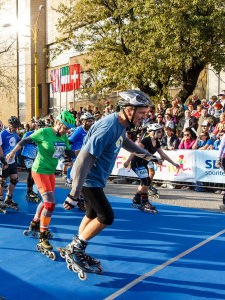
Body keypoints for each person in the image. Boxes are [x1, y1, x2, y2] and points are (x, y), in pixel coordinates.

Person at [60, 90, 158, 277]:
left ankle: (76, 246)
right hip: (88, 178)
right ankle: (76, 249)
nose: (144, 118)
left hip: (94, 178)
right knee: (106, 217)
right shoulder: (108, 126)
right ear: (129, 110)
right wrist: (74, 192)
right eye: (141, 113)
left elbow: (124, 142)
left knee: (91, 213)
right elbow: (83, 158)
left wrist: (146, 154)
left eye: (146, 114)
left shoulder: (120, 124)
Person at [6, 111, 76, 258]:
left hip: (50, 172)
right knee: (50, 204)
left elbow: (69, 153)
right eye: (65, 128)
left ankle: (35, 223)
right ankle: (42, 235)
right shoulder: (44, 132)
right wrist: (12, 153)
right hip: (39, 171)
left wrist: (84, 154)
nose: (67, 131)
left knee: (46, 202)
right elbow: (24, 141)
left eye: (69, 129)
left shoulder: (63, 136)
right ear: (57, 123)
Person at [123, 123, 180, 213]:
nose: (161, 133)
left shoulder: (157, 142)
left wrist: (173, 163)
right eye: (159, 131)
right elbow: (135, 150)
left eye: (161, 131)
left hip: (144, 163)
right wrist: (127, 161)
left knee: (144, 181)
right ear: (153, 132)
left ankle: (136, 199)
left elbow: (163, 154)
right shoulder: (146, 140)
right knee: (146, 181)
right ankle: (145, 202)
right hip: (137, 163)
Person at [0, 116, 21, 213]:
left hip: (12, 161)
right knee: (3, 181)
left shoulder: (15, 133)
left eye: (17, 127)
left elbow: (15, 145)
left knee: (14, 179)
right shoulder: (3, 134)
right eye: (15, 127)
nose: (16, 129)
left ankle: (8, 198)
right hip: (4, 162)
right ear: (10, 125)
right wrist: (2, 161)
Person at [20, 121, 41, 202]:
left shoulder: (42, 136)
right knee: (32, 173)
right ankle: (29, 191)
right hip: (25, 156)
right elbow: (20, 143)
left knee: (33, 174)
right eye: (39, 127)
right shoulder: (28, 134)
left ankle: (30, 190)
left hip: (33, 157)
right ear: (36, 127)